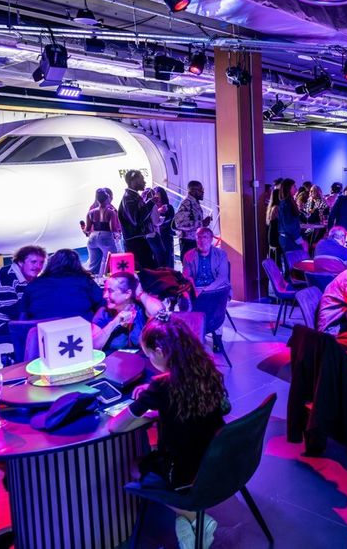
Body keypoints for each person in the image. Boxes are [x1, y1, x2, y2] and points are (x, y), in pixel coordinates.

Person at [109, 316, 227, 548]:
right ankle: (187, 527)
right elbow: (187, 408)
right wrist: (157, 406)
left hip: (184, 469)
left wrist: (148, 401)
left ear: (161, 350)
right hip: (215, 458)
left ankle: (195, 518)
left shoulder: (163, 386)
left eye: (149, 354)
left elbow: (115, 426)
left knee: (136, 468)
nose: (149, 360)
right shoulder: (207, 369)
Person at [0, 244, 46, 337]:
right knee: (37, 328)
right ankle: (26, 352)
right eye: (33, 262)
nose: (38, 266)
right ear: (21, 262)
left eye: (41, 262)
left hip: (3, 321)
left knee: (43, 322)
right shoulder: (5, 279)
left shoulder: (22, 275)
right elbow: (15, 315)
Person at [21, 249, 103, 321]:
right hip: (82, 332)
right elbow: (103, 303)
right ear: (77, 264)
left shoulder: (33, 284)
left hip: (43, 333)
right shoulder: (85, 281)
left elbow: (23, 315)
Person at [91, 272, 163, 353]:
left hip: (140, 362)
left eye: (110, 291)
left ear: (127, 294)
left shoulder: (142, 310)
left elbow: (160, 313)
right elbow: (93, 347)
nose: (105, 296)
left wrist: (140, 293)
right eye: (105, 290)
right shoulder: (104, 313)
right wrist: (114, 322)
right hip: (113, 363)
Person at [118, 169, 159, 270]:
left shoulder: (133, 196)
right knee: (145, 271)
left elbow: (138, 213)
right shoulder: (128, 198)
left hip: (138, 241)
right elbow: (136, 220)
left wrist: (145, 201)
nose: (144, 182)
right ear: (134, 181)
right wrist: (151, 202)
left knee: (149, 269)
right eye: (142, 179)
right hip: (135, 244)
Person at [182, 227, 231, 296]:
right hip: (196, 289)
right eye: (199, 237)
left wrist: (206, 290)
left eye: (205, 237)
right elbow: (186, 276)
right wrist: (195, 290)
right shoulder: (188, 255)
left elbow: (222, 277)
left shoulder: (221, 254)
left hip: (217, 288)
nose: (202, 240)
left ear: (211, 239)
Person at [84, 188, 121, 274]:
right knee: (110, 262)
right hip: (106, 237)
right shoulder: (111, 212)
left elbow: (87, 230)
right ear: (107, 198)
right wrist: (118, 236)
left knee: (93, 266)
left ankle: (93, 283)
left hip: (92, 238)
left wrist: (84, 229)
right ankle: (107, 282)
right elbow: (113, 229)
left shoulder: (91, 212)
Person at [174, 181, 206, 259]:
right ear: (193, 191)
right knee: (189, 269)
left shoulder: (194, 203)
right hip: (188, 243)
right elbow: (179, 224)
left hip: (194, 242)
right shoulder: (187, 204)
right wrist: (201, 223)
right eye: (200, 190)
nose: (203, 192)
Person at [277, 179, 307, 253]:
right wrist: (299, 240)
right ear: (288, 188)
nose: (296, 188)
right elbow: (289, 225)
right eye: (294, 186)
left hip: (289, 238)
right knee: (295, 263)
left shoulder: (288, 202)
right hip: (289, 239)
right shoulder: (286, 204)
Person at [154, 187, 176, 269]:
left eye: (160, 198)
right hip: (155, 240)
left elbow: (166, 221)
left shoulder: (168, 208)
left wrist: (159, 212)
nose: (158, 200)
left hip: (166, 238)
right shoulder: (152, 208)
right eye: (156, 198)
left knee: (168, 262)